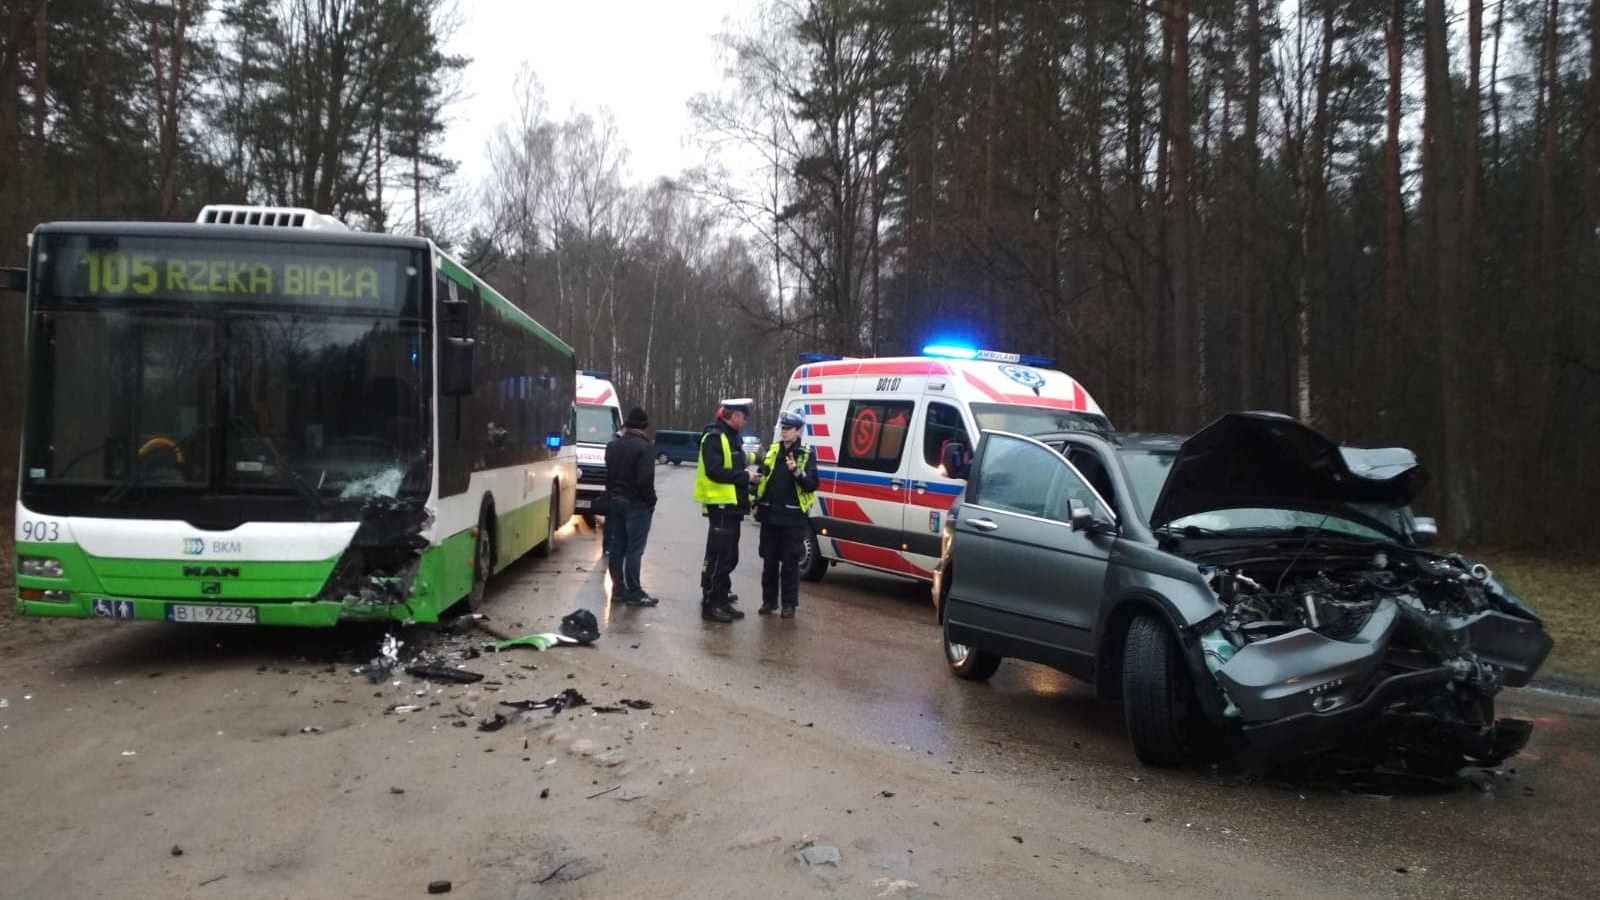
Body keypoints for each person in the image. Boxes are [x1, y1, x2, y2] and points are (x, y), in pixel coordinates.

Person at [754, 409, 820, 618]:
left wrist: (796, 471)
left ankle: (789, 605)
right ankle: (768, 602)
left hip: (792, 519)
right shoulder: (773, 450)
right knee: (769, 562)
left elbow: (812, 484)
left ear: (798, 431)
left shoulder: (807, 454)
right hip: (770, 515)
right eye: (782, 428)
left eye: (788, 428)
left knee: (790, 564)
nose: (784, 432)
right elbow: (763, 476)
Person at [694, 398, 755, 623]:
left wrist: (748, 480)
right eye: (743, 416)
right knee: (718, 557)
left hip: (732, 507)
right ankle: (711, 603)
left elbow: (734, 468)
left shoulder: (731, 438)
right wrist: (745, 476)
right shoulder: (715, 437)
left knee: (729, 556)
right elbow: (715, 471)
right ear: (734, 415)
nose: (745, 421)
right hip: (720, 506)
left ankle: (721, 599)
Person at [604, 407, 659, 606]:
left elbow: (609, 476)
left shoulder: (612, 446)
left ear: (626, 425)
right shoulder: (645, 448)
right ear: (644, 427)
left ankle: (618, 589)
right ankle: (634, 591)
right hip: (636, 503)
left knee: (617, 545)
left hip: (615, 500)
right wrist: (651, 502)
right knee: (635, 549)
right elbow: (645, 480)